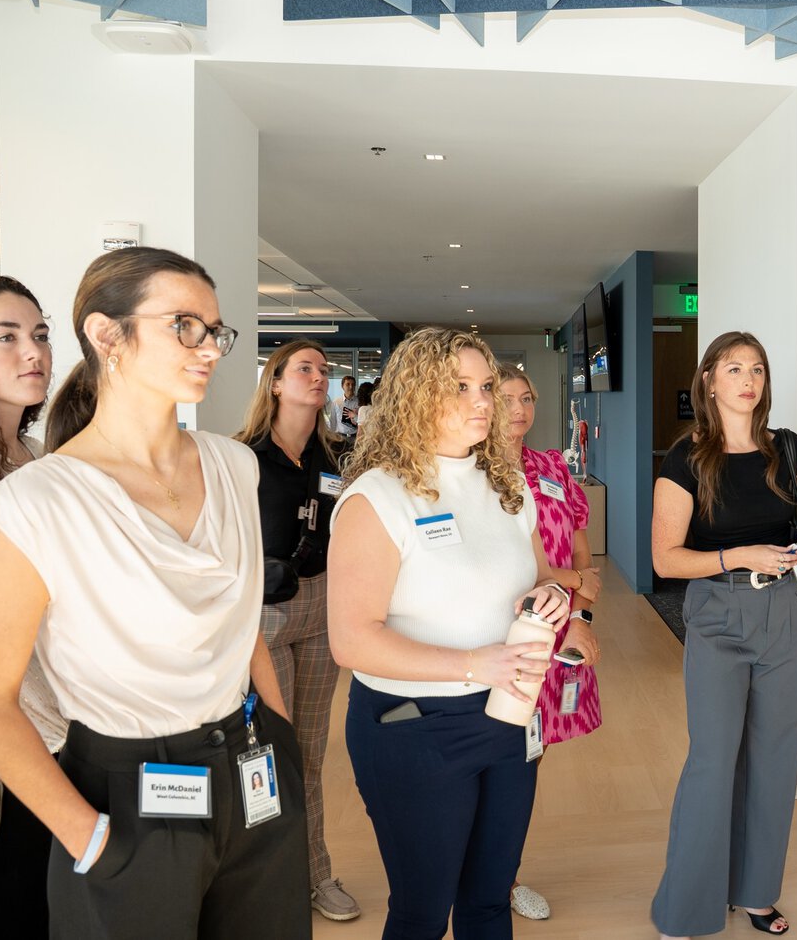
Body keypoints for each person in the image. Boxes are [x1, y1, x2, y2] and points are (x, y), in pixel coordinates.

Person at [0, 247, 310, 940]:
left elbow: (241, 630)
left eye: (214, 330)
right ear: (106, 334)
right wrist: (89, 837)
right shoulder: (37, 500)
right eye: (184, 325)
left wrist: (282, 747)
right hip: (125, 790)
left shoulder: (233, 465)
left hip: (251, 768)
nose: (208, 347)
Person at [328, 327, 570, 940]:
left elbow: (544, 578)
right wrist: (473, 664)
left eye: (486, 386)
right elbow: (352, 640)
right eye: (459, 387)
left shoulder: (507, 486)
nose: (482, 400)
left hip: (508, 715)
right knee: (423, 912)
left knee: (488, 901)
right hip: (414, 727)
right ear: (415, 395)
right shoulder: (377, 497)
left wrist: (554, 596)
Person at [651, 331, 797, 939]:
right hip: (718, 613)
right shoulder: (686, 458)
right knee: (712, 760)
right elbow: (666, 559)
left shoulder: (787, 447)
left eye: (756, 369)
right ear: (708, 380)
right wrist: (738, 556)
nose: (748, 380)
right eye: (733, 368)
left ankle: (756, 892)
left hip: (784, 611)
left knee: (775, 757)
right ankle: (687, 907)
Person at [234, 340, 359, 921]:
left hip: (320, 609)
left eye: (324, 370)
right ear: (276, 383)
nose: (319, 377)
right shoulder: (242, 457)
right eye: (304, 368)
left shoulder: (336, 457)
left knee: (308, 752)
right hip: (263, 616)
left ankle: (315, 873)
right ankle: (265, 883)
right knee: (268, 751)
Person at [0, 275, 64, 938]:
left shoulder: (35, 457)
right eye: (6, 336)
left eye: (40, 334)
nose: (33, 351)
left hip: (57, 731)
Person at [499, 369, 603, 921]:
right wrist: (570, 579)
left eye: (527, 398)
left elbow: (585, 560)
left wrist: (581, 618)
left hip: (557, 629)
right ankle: (476, 875)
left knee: (529, 754)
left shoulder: (553, 468)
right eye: (505, 398)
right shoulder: (470, 473)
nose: (518, 409)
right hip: (494, 634)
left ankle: (505, 876)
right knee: (491, 752)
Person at [329, 374, 358, 440]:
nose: (351, 387)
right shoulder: (336, 402)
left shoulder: (360, 402)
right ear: (342, 386)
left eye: (353, 385)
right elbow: (332, 422)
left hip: (356, 437)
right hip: (340, 437)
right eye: (348, 384)